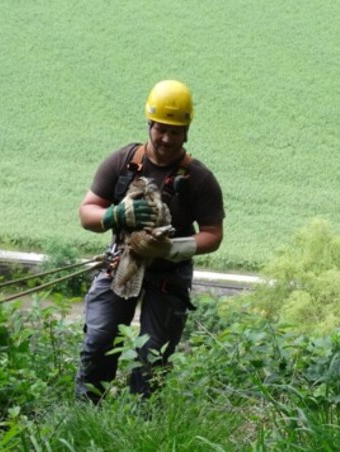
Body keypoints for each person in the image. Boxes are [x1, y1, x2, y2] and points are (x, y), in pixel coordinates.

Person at [76, 80, 225, 402]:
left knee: (154, 356)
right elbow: (87, 212)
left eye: (176, 131)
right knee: (99, 340)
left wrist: (173, 249)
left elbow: (213, 233)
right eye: (161, 129)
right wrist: (115, 215)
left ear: (186, 131)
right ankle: (86, 413)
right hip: (121, 264)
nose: (167, 138)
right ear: (150, 125)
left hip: (169, 275)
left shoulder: (199, 179)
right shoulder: (122, 163)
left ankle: (142, 424)